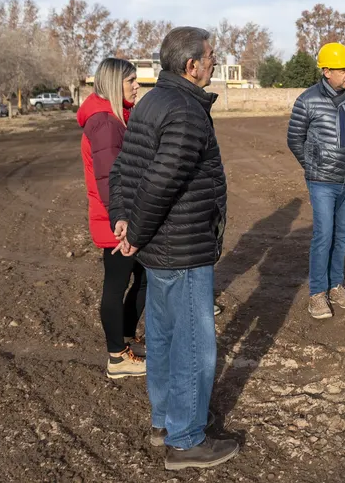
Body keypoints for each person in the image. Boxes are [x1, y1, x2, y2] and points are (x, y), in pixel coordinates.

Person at [109, 27, 239, 471]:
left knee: (164, 337)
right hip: (182, 246)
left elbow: (124, 168)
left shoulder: (152, 101)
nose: (215, 62)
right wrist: (135, 230)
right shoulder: (185, 111)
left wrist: (123, 218)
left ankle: (166, 421)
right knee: (192, 344)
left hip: (160, 247)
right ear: (191, 65)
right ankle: (185, 440)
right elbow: (160, 182)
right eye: (211, 56)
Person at [287, 42, 345, 320]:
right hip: (322, 181)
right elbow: (294, 139)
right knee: (324, 235)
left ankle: (335, 286)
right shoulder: (307, 100)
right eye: (342, 69)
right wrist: (314, 165)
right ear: (326, 71)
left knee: (341, 236)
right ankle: (317, 293)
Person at [78, 57, 146, 379]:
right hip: (117, 221)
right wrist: (123, 223)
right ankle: (117, 357)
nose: (137, 85)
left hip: (120, 217)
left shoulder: (116, 117)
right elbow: (110, 180)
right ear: (113, 84)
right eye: (130, 80)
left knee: (141, 278)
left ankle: (125, 337)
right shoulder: (105, 123)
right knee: (117, 284)